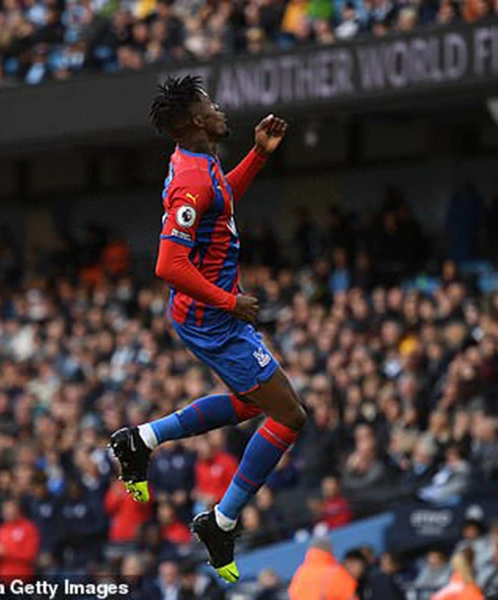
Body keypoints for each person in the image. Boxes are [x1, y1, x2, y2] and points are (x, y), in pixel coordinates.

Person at [108, 75, 305, 583]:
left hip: (208, 313)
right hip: (212, 319)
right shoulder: (192, 179)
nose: (220, 109)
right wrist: (229, 302)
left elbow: (221, 199)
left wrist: (258, 156)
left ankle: (142, 440)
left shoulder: (198, 161)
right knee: (289, 416)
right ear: (197, 120)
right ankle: (221, 521)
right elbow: (168, 264)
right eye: (211, 104)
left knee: (251, 403)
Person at [0, 499, 40, 583]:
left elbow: (30, 554)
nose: (7, 512)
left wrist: (6, 551)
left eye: (10, 509)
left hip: (22, 577)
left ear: (18, 510)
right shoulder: (1, 529)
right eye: (5, 510)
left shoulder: (28, 527)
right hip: (3, 578)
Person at [288, 537, 357, 600]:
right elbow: (348, 596)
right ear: (329, 550)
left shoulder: (300, 573)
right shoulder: (335, 573)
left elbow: (293, 594)